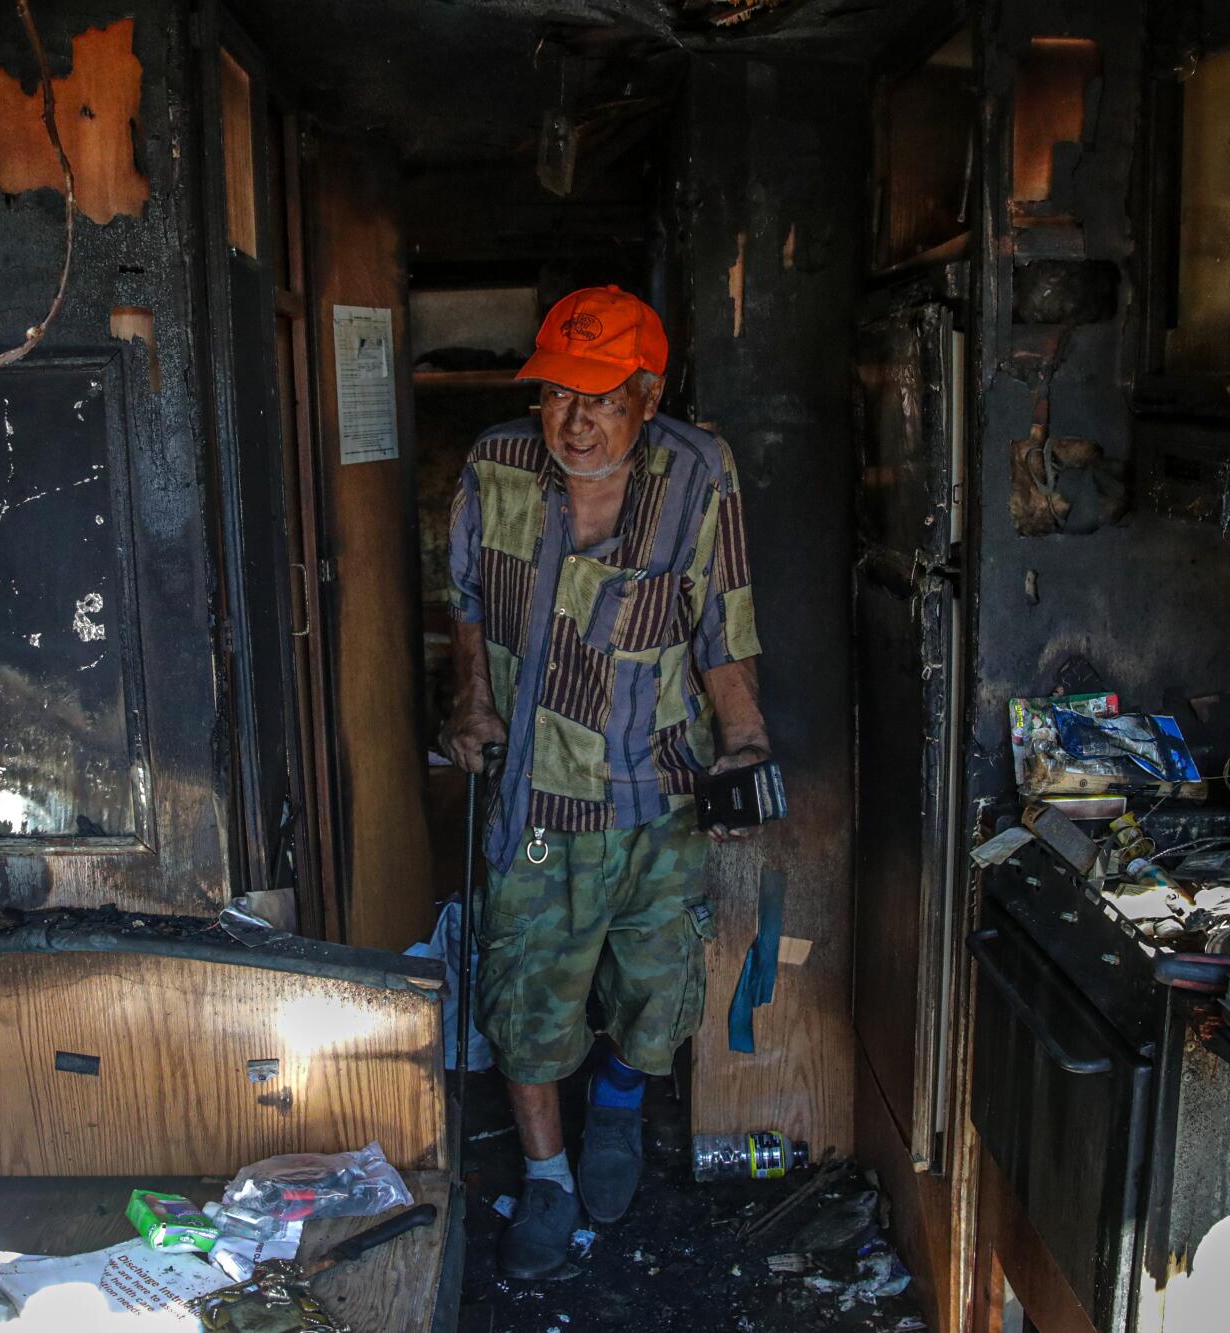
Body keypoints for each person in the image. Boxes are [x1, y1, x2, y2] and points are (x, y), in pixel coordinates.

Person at [441, 285, 771, 1279]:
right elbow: (462, 597)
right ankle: (544, 1173)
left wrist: (744, 741)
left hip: (656, 789)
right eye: (553, 395)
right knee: (526, 992)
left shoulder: (696, 471)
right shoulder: (494, 465)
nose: (570, 422)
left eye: (598, 397)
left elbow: (723, 616)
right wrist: (468, 703)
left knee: (661, 986)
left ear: (647, 391)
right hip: (535, 801)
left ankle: (618, 1109)